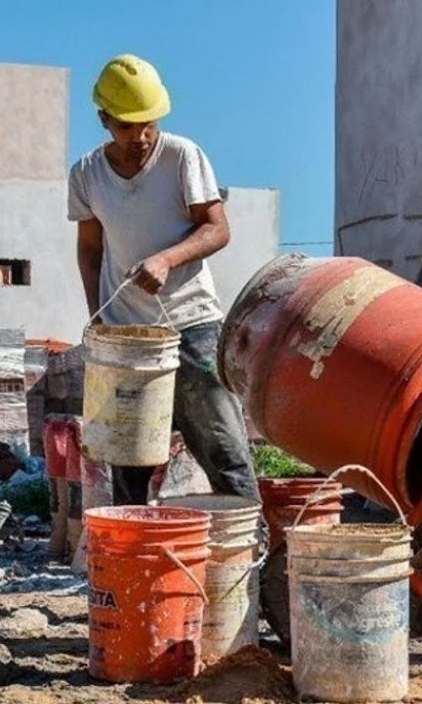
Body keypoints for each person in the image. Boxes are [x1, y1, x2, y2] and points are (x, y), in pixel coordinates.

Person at [68, 53, 259, 505]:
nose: (140, 136)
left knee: (224, 451)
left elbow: (218, 228)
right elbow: (91, 250)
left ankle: (249, 561)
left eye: (148, 123)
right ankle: (135, 565)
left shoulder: (181, 157)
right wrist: (98, 324)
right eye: (127, 125)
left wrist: (167, 259)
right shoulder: (86, 174)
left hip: (190, 325)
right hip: (127, 339)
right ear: (104, 120)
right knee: (130, 464)